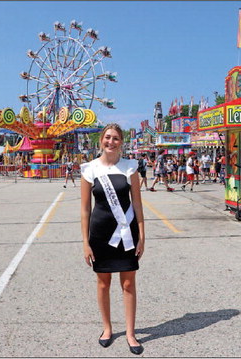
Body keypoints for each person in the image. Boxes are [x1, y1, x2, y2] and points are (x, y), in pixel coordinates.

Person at [80, 123, 145, 355]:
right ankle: (107, 328)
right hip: (100, 234)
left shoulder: (130, 167)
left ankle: (130, 332)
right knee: (103, 283)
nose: (111, 142)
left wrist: (142, 235)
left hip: (126, 234)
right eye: (107, 137)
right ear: (101, 140)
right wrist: (85, 242)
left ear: (121, 142)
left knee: (128, 283)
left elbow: (137, 203)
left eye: (116, 138)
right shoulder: (89, 169)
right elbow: (85, 209)